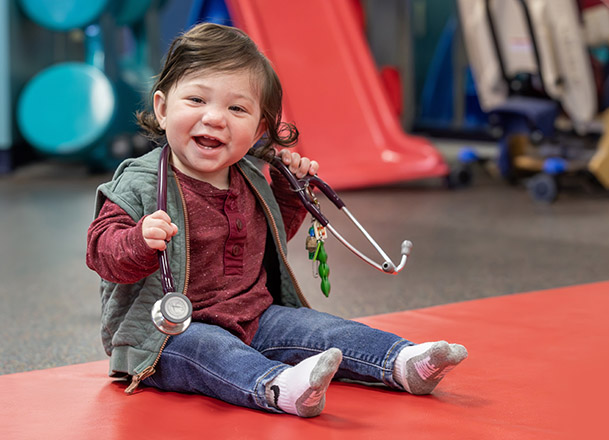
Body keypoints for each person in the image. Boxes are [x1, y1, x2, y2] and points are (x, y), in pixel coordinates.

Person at [86, 22, 467, 418]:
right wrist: (137, 241)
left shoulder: (250, 176)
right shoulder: (141, 182)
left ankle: (403, 361)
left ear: (259, 130)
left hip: (257, 316)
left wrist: (290, 193)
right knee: (212, 350)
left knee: (321, 329)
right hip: (169, 334)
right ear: (163, 109)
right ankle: (278, 386)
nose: (215, 118)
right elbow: (100, 252)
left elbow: (267, 241)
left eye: (237, 108)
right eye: (197, 100)